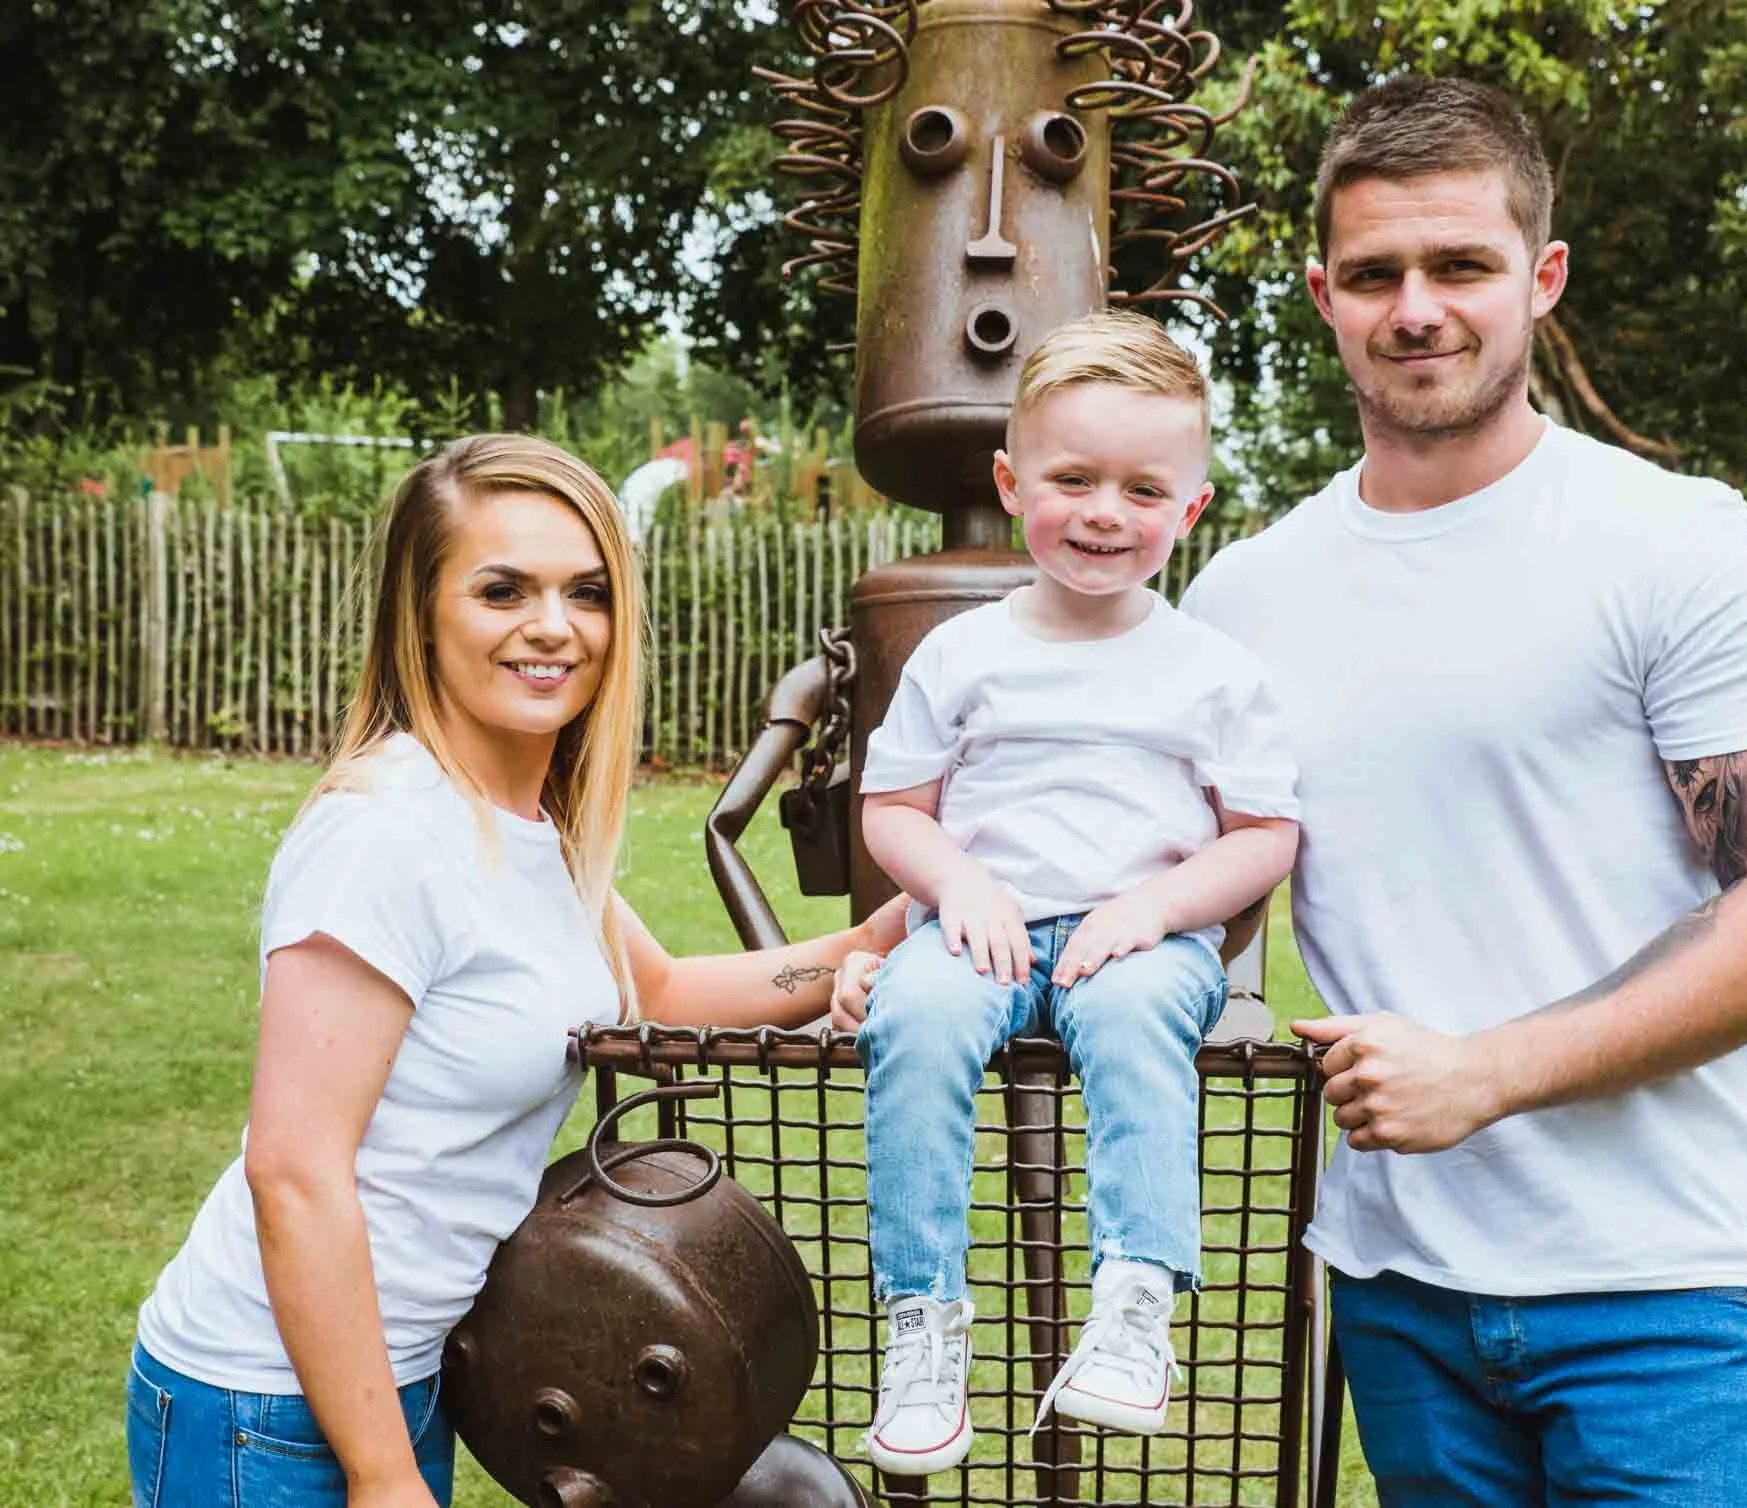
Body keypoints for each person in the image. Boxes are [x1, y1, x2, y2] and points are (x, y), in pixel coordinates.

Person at [1177, 78, 1747, 1506]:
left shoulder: (1675, 546)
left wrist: (1486, 1073)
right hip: (1398, 1288)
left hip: (1658, 1288)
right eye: (1375, 274)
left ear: (1541, 277)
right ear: (1323, 294)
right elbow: (1180, 886)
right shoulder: (1246, 597)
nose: (1416, 308)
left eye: (1460, 266)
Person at [127, 435, 908, 1508]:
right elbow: (294, 1171)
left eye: (585, 591)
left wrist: (883, 937)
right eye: (503, 589)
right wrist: (382, 1472)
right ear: (425, 612)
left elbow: (666, 994)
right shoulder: (385, 834)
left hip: (394, 1372)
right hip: (267, 1402)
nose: (553, 625)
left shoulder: (533, 829)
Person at [840, 311, 1300, 1476]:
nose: (1105, 510)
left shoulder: (1211, 670)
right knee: (917, 1017)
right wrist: (958, 881)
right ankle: (922, 1325)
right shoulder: (961, 652)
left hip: (1137, 939)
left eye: (1144, 488)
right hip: (974, 926)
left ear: (1188, 509)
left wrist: (1154, 910)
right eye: (1073, 477)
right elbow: (891, 808)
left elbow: (1263, 836)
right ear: (1010, 480)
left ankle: (1136, 1303)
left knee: (1140, 1021)